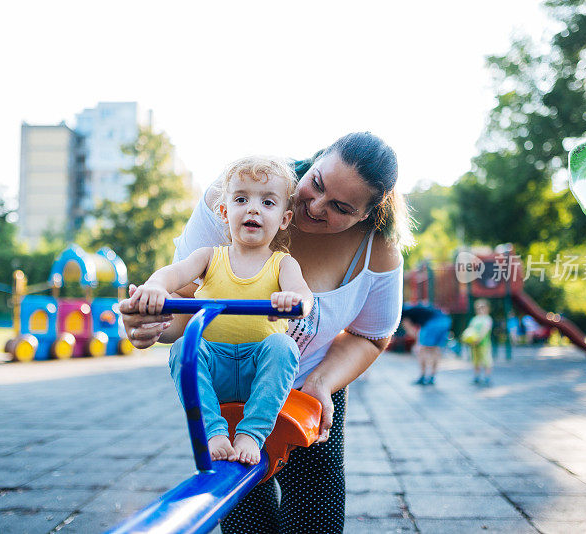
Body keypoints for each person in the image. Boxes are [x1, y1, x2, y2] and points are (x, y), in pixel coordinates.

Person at [120, 132, 410, 533]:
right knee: (244, 521)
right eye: (318, 183)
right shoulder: (242, 196)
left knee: (315, 522)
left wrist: (322, 383)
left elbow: (372, 336)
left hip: (306, 392)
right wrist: (152, 324)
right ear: (316, 158)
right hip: (232, 391)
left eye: (341, 207)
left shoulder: (377, 250)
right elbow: (186, 299)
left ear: (366, 215)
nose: (315, 206)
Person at [128, 156, 313, 465]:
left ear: (284, 218)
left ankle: (251, 434)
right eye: (242, 199)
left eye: (268, 203)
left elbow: (303, 295)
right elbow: (172, 273)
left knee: (283, 346)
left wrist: (293, 302)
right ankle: (212, 431)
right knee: (183, 348)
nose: (253, 208)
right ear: (225, 213)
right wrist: (154, 287)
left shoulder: (282, 263)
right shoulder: (209, 257)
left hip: (259, 368)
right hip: (217, 365)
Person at [401, 303, 451, 385]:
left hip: (432, 323)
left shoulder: (404, 314)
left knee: (422, 350)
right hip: (445, 320)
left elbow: (411, 332)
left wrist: (417, 343)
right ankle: (432, 376)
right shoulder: (413, 308)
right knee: (436, 349)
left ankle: (422, 377)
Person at [462, 298, 493, 385]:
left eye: (482, 307)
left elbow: (485, 329)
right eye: (478, 308)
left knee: (486, 360)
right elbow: (470, 330)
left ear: (487, 308)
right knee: (475, 361)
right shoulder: (475, 319)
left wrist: (478, 339)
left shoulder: (487, 319)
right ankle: (477, 376)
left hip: (484, 344)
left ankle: (487, 377)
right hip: (474, 344)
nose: (480, 309)